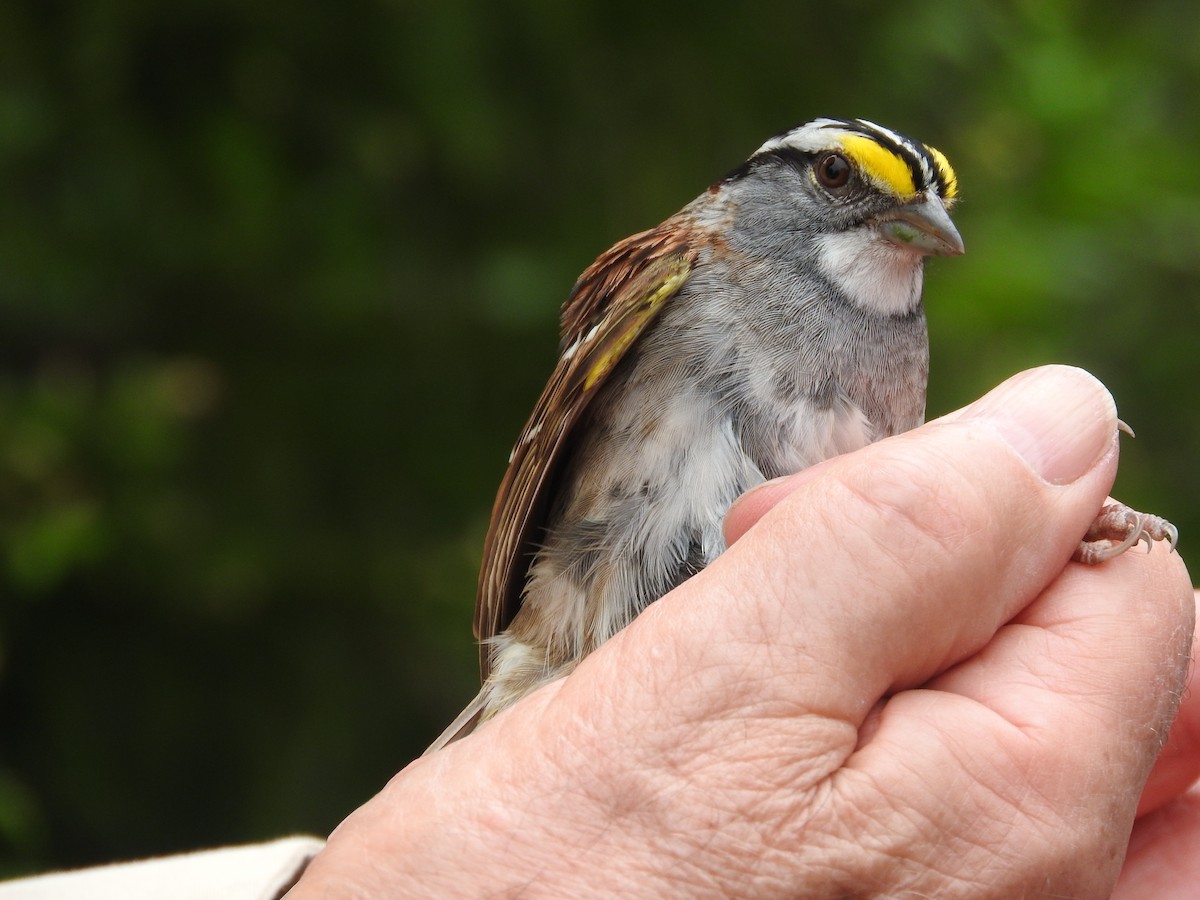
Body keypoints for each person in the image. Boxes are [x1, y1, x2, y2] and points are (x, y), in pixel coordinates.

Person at [4, 366, 1195, 898]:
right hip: (584, 613)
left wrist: (1053, 531)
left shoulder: (893, 342)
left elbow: (834, 543)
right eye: (837, 183)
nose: (914, 232)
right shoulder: (683, 268)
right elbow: (550, 455)